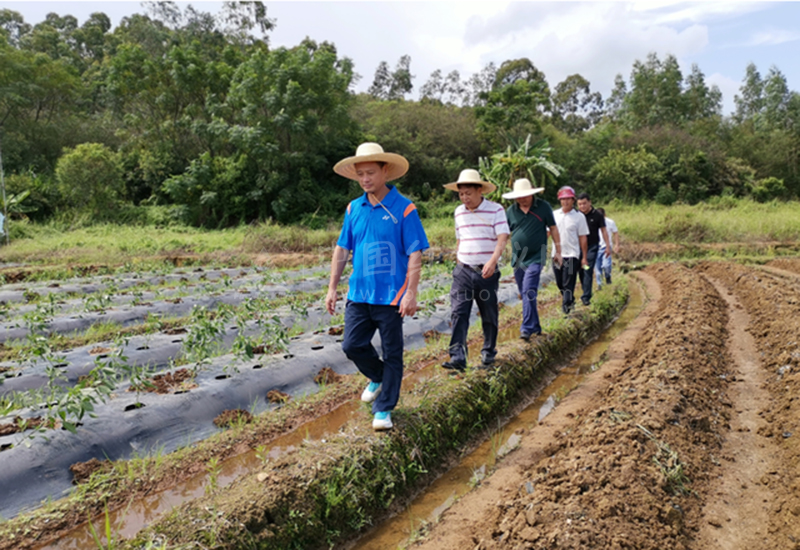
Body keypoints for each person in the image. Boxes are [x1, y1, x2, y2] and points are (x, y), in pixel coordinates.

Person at [326, 142, 429, 431]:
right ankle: (380, 375)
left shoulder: (404, 208)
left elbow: (415, 252)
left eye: (370, 173)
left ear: (386, 171)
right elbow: (342, 248)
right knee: (352, 345)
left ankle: (383, 410)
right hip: (359, 292)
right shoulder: (353, 208)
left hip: (392, 295)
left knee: (393, 351)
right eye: (360, 174)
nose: (365, 179)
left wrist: (410, 292)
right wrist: (332, 287)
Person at [441, 169, 509, 372]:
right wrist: (457, 258)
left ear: (479, 190)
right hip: (463, 270)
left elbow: (502, 238)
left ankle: (488, 352)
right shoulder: (458, 212)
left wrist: (492, 261)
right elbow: (459, 238)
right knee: (458, 312)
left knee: (488, 312)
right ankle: (457, 357)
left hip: (486, 272)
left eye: (468, 193)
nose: (464, 198)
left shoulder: (496, 210)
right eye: (461, 194)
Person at [502, 178, 561, 340]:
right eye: (519, 197)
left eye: (525, 196)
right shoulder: (510, 212)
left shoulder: (543, 207)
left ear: (531, 194)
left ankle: (526, 328)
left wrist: (558, 250)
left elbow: (553, 228)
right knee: (525, 293)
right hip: (518, 258)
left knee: (529, 290)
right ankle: (535, 325)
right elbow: (504, 234)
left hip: (537, 256)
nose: (522, 199)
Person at [552, 186, 588, 315]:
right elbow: (547, 233)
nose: (565, 202)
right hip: (556, 255)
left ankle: (566, 310)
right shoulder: (554, 215)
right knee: (560, 282)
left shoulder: (579, 217)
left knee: (568, 282)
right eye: (563, 199)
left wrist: (584, 257)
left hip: (572, 255)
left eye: (568, 199)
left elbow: (583, 238)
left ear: (573, 200)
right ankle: (570, 300)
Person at [576, 192, 610, 306]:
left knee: (587, 269)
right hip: (577, 248)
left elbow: (604, 231)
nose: (582, 207)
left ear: (590, 202)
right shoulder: (576, 215)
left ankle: (586, 297)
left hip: (592, 247)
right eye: (580, 204)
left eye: (584, 204)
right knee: (580, 271)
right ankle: (585, 289)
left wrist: (607, 246)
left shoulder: (597, 215)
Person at [595, 207, 620, 288]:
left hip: (606, 247)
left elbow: (615, 233)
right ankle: (600, 285)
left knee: (606, 265)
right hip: (596, 248)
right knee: (597, 268)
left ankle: (607, 276)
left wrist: (617, 245)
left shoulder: (610, 222)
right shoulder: (593, 222)